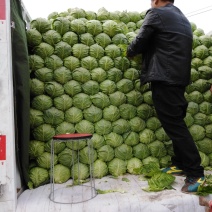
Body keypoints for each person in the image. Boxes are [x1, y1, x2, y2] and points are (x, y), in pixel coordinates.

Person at [127, 0, 205, 193]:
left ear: (156, 1)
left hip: (164, 78)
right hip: (179, 78)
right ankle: (179, 163)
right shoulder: (183, 18)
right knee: (176, 121)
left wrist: (129, 52)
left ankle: (196, 174)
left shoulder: (156, 14)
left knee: (175, 126)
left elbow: (139, 42)